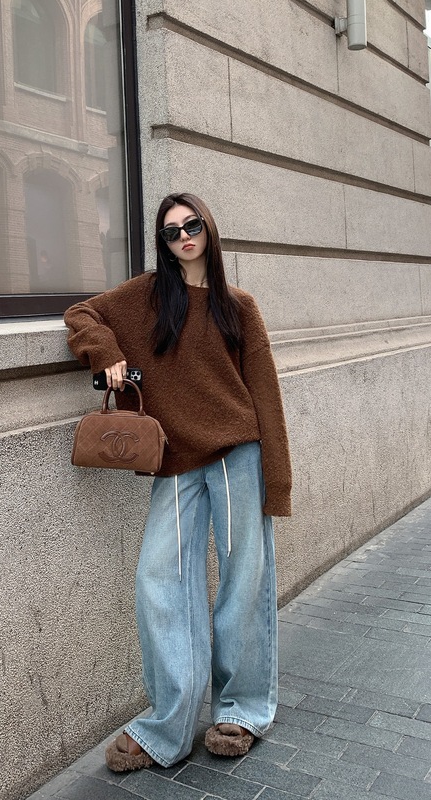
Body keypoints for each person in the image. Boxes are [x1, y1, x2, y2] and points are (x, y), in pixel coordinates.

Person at [63, 192, 292, 772]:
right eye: (171, 232)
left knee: (245, 579)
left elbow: (265, 396)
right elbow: (82, 314)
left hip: (238, 454)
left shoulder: (239, 306)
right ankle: (170, 723)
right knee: (159, 578)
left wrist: (277, 480)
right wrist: (104, 351)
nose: (184, 236)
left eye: (192, 226)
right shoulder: (147, 296)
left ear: (208, 229)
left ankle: (242, 710)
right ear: (163, 244)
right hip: (176, 459)